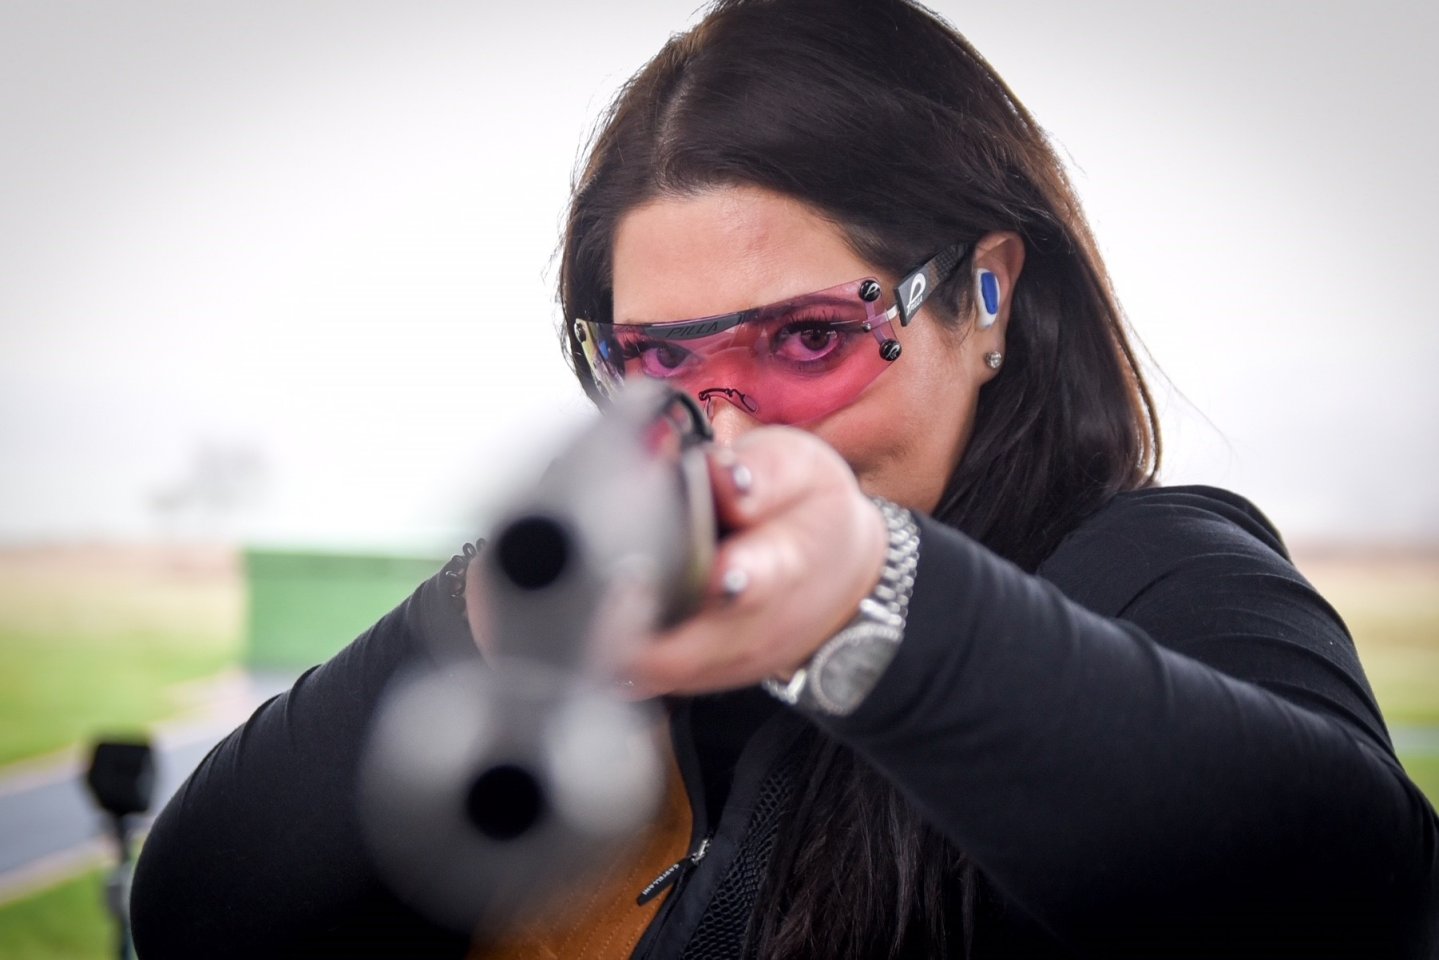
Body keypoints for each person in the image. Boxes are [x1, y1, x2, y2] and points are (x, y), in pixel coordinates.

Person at [129, 0, 1438, 956]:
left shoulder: (1151, 568)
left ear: (987, 296)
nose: (730, 424)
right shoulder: (606, 634)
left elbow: (1361, 902)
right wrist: (509, 603)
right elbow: (199, 907)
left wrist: (875, 603)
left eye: (810, 338)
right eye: (660, 360)